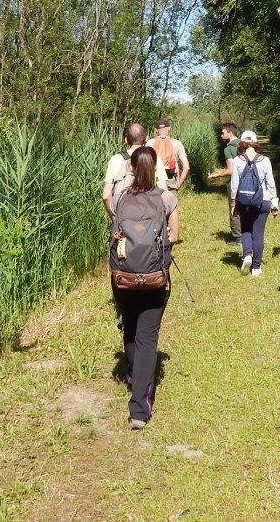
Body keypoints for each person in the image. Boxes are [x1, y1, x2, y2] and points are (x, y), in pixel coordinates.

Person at [110, 146, 180, 429]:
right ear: (156, 169)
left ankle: (134, 374)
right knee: (148, 338)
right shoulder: (167, 198)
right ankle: (139, 408)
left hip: (124, 278)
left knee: (130, 327)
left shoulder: (119, 199)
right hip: (153, 278)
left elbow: (115, 232)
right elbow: (174, 235)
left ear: (130, 169)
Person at [228, 130, 278, 276]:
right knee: (258, 233)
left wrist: (233, 204)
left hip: (244, 201)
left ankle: (247, 255)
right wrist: (274, 203)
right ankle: (256, 268)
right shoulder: (265, 160)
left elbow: (234, 185)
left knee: (245, 229)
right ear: (255, 143)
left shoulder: (237, 160)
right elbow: (271, 184)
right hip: (263, 201)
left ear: (242, 143)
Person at [103, 122, 169, 220]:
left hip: (124, 216)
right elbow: (164, 192)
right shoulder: (154, 159)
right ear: (146, 140)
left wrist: (114, 217)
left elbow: (106, 196)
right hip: (150, 216)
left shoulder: (116, 160)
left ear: (126, 140)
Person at [208, 121, 242, 242]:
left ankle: (238, 238)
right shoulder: (244, 144)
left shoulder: (229, 149)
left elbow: (230, 170)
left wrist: (216, 175)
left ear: (230, 132)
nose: (221, 135)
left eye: (223, 133)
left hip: (235, 182)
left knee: (234, 208)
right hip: (249, 183)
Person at [147, 119, 189, 191]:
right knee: (170, 201)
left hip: (154, 180)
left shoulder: (149, 143)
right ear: (169, 128)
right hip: (171, 179)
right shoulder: (177, 143)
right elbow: (186, 167)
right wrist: (179, 184)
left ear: (156, 130)